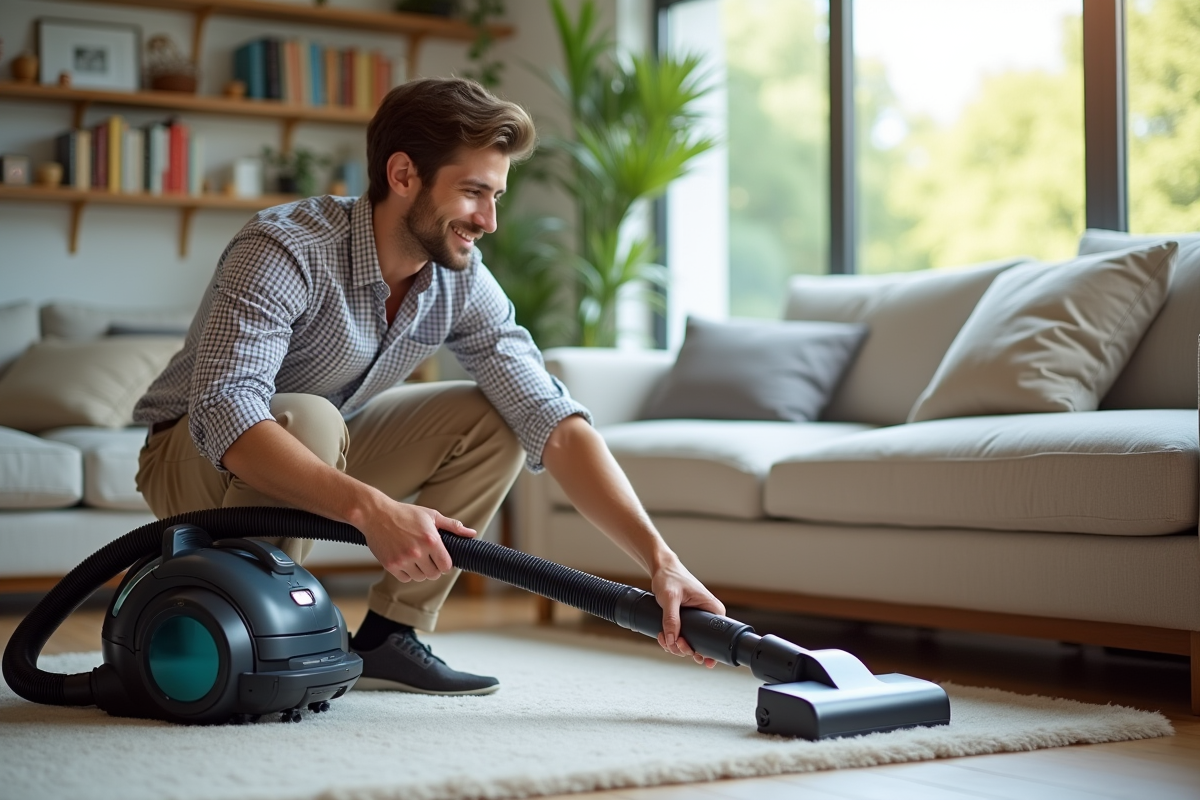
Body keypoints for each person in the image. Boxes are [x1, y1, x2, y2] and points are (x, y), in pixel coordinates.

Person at [133, 77, 724, 696]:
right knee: (311, 419)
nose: (490, 221)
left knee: (496, 415)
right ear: (403, 174)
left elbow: (551, 420)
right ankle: (254, 631)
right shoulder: (286, 246)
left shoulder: (458, 280)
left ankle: (393, 633)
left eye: (495, 196)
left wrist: (661, 561)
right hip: (192, 456)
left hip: (322, 441)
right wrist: (371, 509)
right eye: (473, 193)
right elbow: (227, 410)